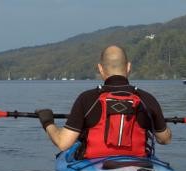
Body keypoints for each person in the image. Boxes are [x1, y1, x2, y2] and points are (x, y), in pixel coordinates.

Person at [37, 45, 171, 159]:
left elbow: (63, 143)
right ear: (129, 67)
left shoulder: (87, 99)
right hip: (137, 166)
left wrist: (47, 122)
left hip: (95, 168)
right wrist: (160, 124)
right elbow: (164, 139)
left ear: (100, 68)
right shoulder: (147, 99)